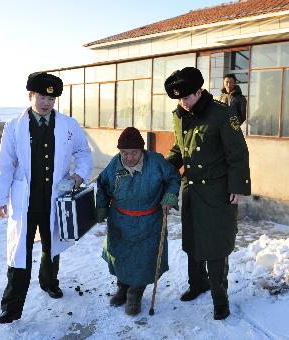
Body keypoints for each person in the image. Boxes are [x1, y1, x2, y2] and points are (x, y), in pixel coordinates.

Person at [0, 72, 93, 324]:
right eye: (42, 97)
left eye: (52, 98)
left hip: (54, 200)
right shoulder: (14, 126)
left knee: (51, 246)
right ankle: (11, 308)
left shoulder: (68, 125)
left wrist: (79, 175)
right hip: (25, 201)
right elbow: (5, 163)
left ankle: (49, 283)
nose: (47, 103)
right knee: (19, 254)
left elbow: (83, 151)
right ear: (30, 95)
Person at [164, 67, 251, 320]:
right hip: (192, 190)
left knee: (215, 247)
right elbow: (179, 150)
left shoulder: (222, 114)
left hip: (217, 192)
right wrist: (162, 168)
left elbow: (238, 153)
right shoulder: (179, 116)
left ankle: (219, 298)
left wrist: (238, 186)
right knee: (192, 243)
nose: (185, 103)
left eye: (188, 97)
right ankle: (197, 284)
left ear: (200, 91)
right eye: (180, 99)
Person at [96, 127, 181, 316]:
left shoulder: (156, 161)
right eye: (124, 153)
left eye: (134, 153)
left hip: (149, 221)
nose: (128, 157)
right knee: (121, 255)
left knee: (143, 258)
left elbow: (174, 177)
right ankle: (123, 288)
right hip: (120, 220)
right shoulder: (115, 164)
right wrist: (101, 206)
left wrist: (169, 196)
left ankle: (135, 293)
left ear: (142, 150)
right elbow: (102, 184)